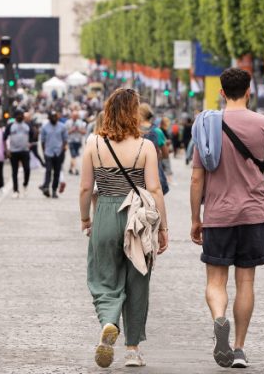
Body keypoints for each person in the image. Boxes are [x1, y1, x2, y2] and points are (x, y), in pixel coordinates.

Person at [190, 68, 264, 368]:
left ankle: (219, 318)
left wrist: (195, 218)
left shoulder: (206, 125)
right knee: (246, 281)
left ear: (222, 92)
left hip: (217, 213)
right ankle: (239, 348)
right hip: (253, 212)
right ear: (249, 91)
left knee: (216, 280)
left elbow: (196, 179)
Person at [81, 88, 168, 369]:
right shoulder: (145, 147)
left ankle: (108, 321)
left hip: (106, 211)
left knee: (103, 276)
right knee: (138, 281)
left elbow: (85, 187)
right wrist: (163, 227)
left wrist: (85, 219)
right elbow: (154, 188)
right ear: (134, 113)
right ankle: (132, 349)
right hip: (137, 218)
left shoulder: (94, 144)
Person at [40, 111, 68, 198]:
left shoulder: (62, 127)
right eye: (52, 117)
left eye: (55, 117)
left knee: (57, 173)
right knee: (48, 171)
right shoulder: (45, 127)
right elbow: (42, 141)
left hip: (58, 153)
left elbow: (65, 139)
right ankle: (46, 188)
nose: (54, 118)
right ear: (49, 118)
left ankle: (54, 190)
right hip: (48, 152)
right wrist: (44, 151)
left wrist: (63, 149)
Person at [5, 111, 32, 198]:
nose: (20, 116)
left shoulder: (27, 125)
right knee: (14, 171)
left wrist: (30, 142)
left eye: (21, 115)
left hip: (25, 150)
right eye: (18, 115)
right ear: (15, 116)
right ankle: (15, 190)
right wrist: (7, 150)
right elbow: (4, 137)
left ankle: (25, 184)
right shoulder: (10, 126)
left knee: (27, 169)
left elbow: (33, 134)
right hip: (14, 151)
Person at [68, 110, 87, 175]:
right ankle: (76, 169)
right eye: (74, 116)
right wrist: (72, 130)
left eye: (76, 116)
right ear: (71, 116)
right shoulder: (68, 122)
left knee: (74, 156)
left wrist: (78, 130)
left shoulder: (81, 123)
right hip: (71, 141)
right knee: (73, 155)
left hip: (78, 141)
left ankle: (70, 168)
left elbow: (84, 132)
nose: (75, 117)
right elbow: (65, 133)